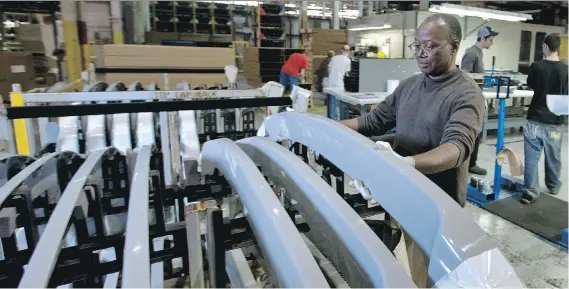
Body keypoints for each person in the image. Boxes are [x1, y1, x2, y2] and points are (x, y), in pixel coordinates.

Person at [340, 14, 485, 286]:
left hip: (437, 206)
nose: (420, 53)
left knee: (428, 274)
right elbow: (372, 121)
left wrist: (406, 163)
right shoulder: (409, 86)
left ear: (454, 47)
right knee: (403, 262)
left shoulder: (467, 94)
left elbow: (456, 148)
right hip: (402, 193)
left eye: (429, 46)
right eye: (416, 46)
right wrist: (325, 127)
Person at [521, 33, 568, 204]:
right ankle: (554, 185)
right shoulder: (566, 70)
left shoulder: (536, 66)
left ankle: (530, 192)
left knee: (532, 157)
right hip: (555, 120)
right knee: (554, 155)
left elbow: (531, 84)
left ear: (545, 46)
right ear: (559, 48)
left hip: (535, 118)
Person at [460, 26, 499, 176]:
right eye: (490, 40)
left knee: (477, 132)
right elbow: (465, 76)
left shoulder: (478, 53)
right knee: (473, 131)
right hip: (471, 99)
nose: (492, 43)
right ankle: (469, 164)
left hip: (477, 97)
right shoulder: (471, 53)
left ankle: (471, 163)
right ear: (482, 39)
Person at [326, 45, 352, 120]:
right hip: (340, 84)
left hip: (331, 83)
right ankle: (342, 121)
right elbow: (348, 74)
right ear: (349, 51)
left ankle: (332, 119)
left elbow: (329, 70)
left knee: (332, 103)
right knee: (342, 104)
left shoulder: (334, 58)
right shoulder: (348, 60)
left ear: (341, 50)